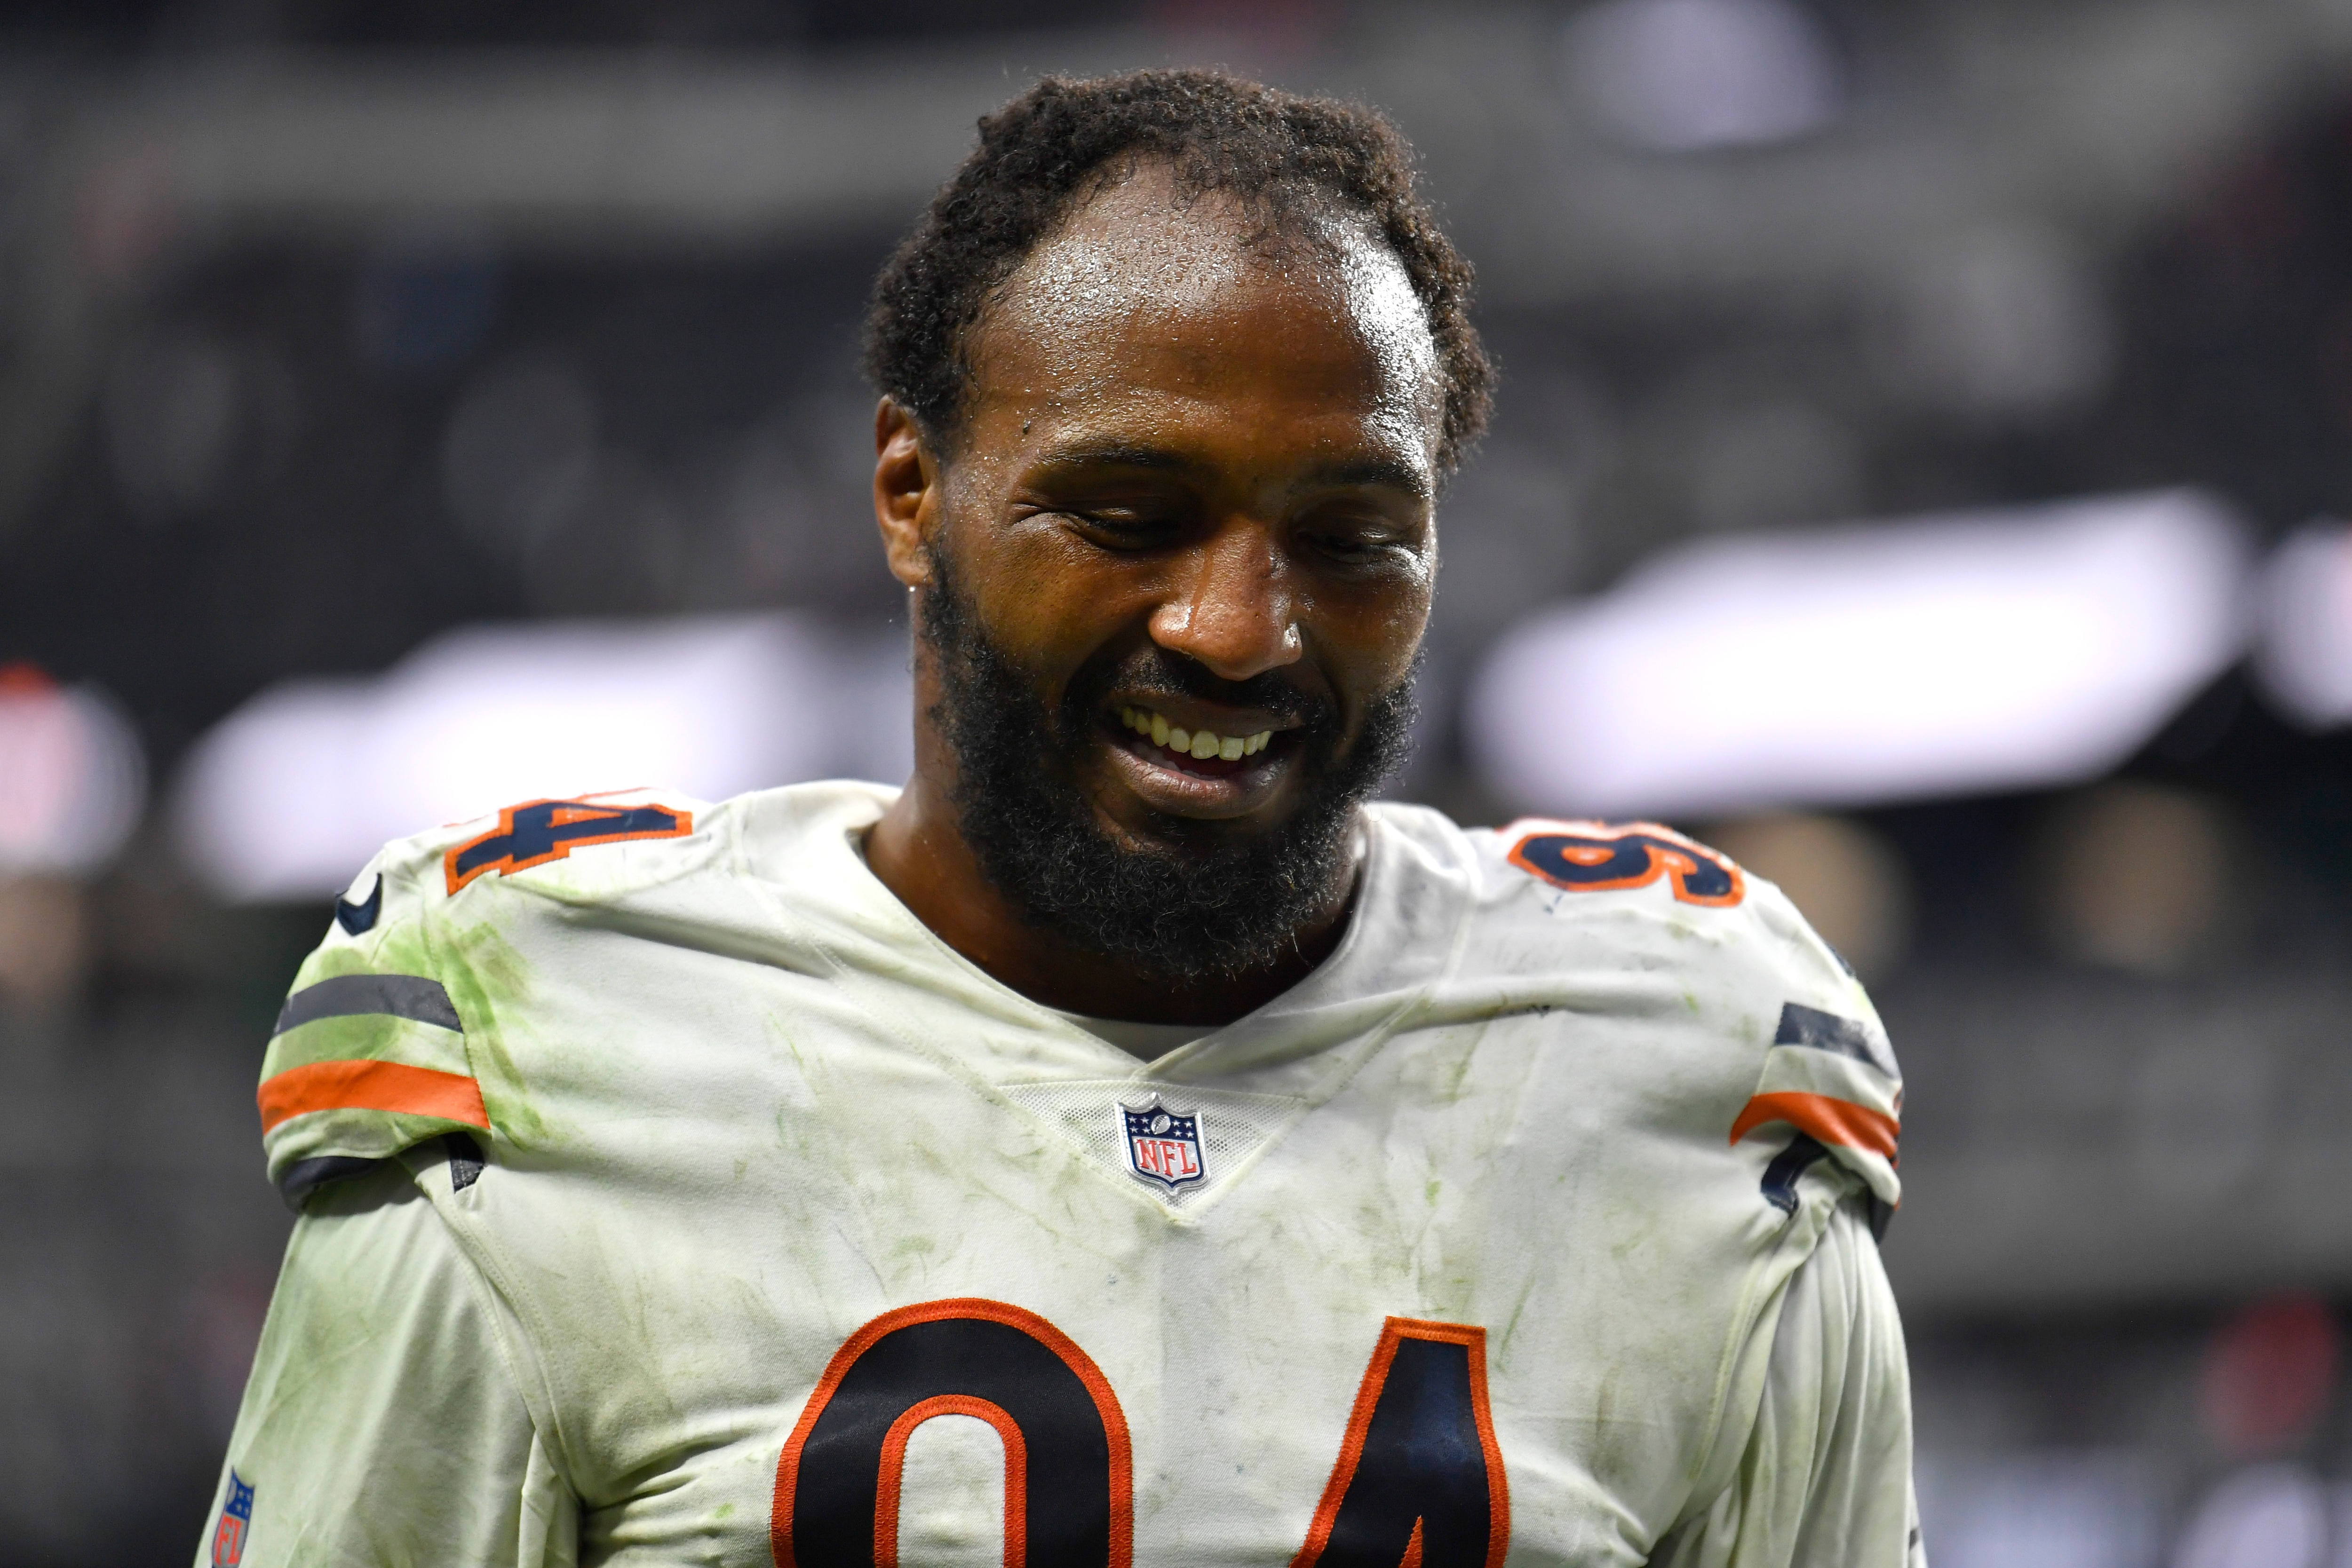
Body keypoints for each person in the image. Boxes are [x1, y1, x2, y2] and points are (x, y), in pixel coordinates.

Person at [200, 69, 1920, 1568]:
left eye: (1350, 533)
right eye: (1127, 511)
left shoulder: (1681, 1071)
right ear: (911, 496)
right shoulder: (557, 1033)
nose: (1240, 628)